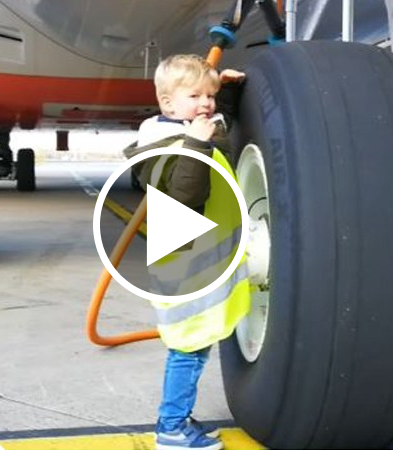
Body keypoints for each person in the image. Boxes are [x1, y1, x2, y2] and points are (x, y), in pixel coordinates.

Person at [125, 54, 251, 450]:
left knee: (193, 348)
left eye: (208, 96)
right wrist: (197, 142)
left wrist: (223, 92)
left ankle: (177, 415)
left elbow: (218, 129)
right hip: (187, 274)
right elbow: (185, 195)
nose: (206, 104)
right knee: (188, 351)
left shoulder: (185, 131)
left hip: (200, 268)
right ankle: (172, 428)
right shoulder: (165, 145)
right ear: (167, 103)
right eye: (194, 96)